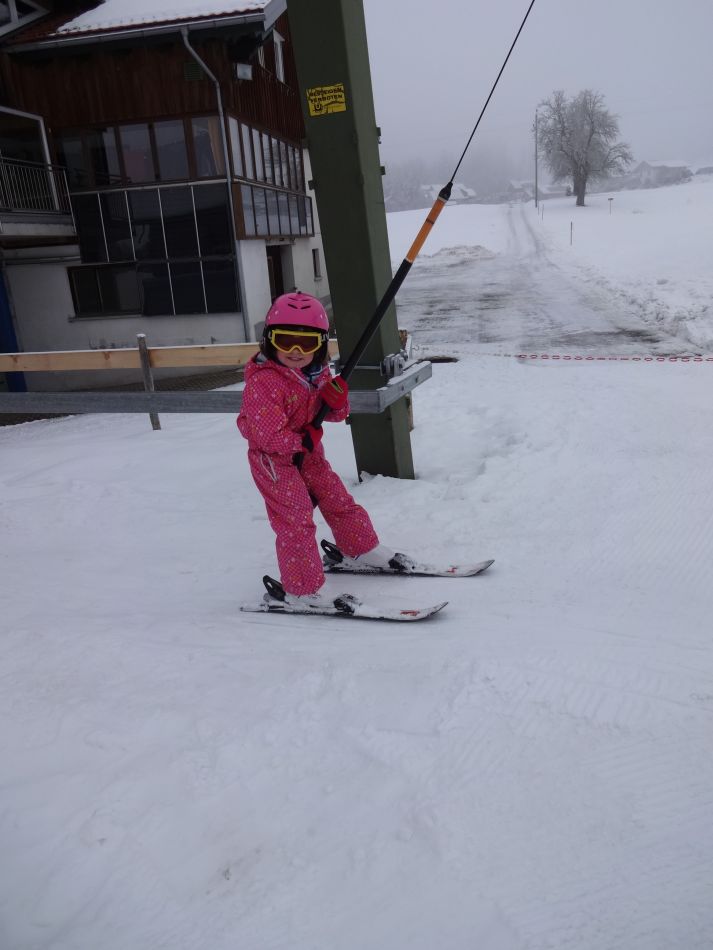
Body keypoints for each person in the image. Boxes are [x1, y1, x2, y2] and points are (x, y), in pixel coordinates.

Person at [237, 291, 396, 608]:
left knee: (337, 498)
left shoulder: (316, 373)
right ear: (269, 341)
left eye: (306, 343)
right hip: (273, 461)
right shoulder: (265, 382)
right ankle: (301, 590)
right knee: (296, 519)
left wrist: (336, 401)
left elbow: (333, 415)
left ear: (320, 345)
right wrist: (301, 441)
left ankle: (359, 548)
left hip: (308, 453)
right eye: (286, 341)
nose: (296, 352)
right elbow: (267, 436)